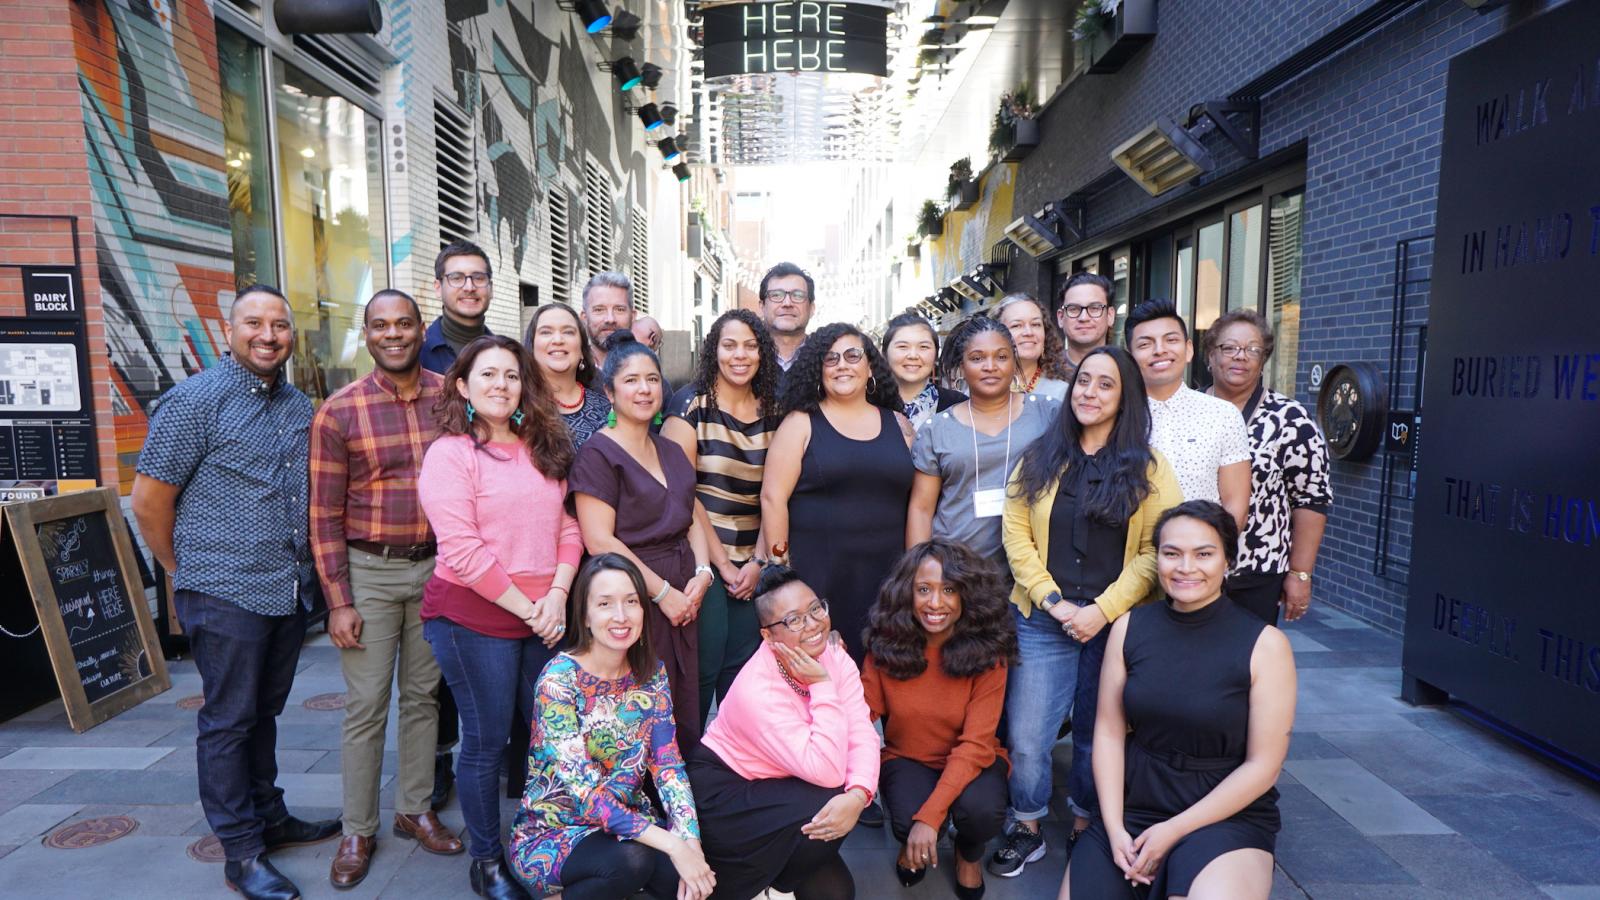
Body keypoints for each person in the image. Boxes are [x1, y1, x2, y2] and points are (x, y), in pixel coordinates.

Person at [132, 285, 339, 900]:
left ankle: (269, 815)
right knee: (227, 721)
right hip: (223, 590)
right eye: (254, 323)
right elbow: (149, 501)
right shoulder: (193, 403)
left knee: (263, 713)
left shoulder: (299, 406)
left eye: (279, 325)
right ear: (230, 330)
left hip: (284, 590)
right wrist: (182, 570)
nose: (268, 335)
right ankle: (241, 850)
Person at [993, 346, 1183, 879]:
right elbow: (1017, 535)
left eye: (1105, 385)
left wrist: (1101, 610)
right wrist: (1053, 602)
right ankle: (1026, 823)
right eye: (1083, 381)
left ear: (1125, 399)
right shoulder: (1039, 456)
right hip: (1042, 619)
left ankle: (1085, 822)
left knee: (1098, 735)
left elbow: (1156, 549)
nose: (1089, 393)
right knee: (1029, 737)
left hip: (1116, 625)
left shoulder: (1149, 467)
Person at [1062, 501, 1295, 900]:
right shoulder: (1129, 627)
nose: (1186, 567)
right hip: (1138, 801)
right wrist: (1115, 826)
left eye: (1203, 554)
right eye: (1172, 554)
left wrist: (1173, 830)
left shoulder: (1266, 645)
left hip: (1225, 812)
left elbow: (1263, 766)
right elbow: (1108, 733)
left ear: (1228, 560)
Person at [309, 290, 462, 889]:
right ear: (366, 333)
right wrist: (338, 599)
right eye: (381, 325)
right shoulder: (338, 412)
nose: (393, 334)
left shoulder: (451, 399)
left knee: (424, 697)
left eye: (404, 324)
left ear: (422, 330)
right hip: (368, 571)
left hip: (437, 569)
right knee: (367, 704)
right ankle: (358, 828)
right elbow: (322, 514)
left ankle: (415, 807)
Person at [417, 335, 578, 899]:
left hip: (544, 615)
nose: (501, 386)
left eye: (511, 375)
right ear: (462, 385)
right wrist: (531, 609)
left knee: (549, 736)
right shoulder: (451, 454)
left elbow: (568, 526)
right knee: (485, 742)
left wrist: (557, 596)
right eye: (488, 375)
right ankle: (487, 860)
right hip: (473, 618)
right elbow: (461, 550)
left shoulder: (543, 444)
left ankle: (547, 841)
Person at [509, 554, 715, 900]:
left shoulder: (652, 675)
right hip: (555, 831)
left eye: (631, 602)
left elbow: (668, 768)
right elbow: (588, 798)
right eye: (605, 604)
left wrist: (690, 843)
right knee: (632, 863)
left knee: (688, 885)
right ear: (585, 615)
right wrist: (672, 845)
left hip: (629, 825)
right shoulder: (559, 682)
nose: (621, 616)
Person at [689, 565, 880, 900]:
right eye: (793, 620)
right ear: (768, 634)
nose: (813, 625)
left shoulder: (836, 657)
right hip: (728, 794)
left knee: (836, 893)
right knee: (830, 795)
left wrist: (860, 794)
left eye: (815, 609)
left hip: (787, 787)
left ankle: (777, 887)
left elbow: (862, 734)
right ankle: (766, 890)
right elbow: (827, 770)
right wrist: (821, 685)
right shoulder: (757, 689)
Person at [570, 332, 715, 750]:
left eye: (652, 379)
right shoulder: (598, 454)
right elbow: (599, 540)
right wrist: (664, 593)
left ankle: (676, 799)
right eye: (631, 380)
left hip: (685, 586)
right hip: (631, 595)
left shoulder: (670, 449)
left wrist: (702, 575)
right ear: (609, 390)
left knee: (680, 702)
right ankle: (631, 808)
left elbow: (690, 514)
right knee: (633, 712)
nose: (644, 389)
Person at [862, 540, 1017, 900]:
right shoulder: (886, 645)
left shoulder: (988, 653)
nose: (935, 603)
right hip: (909, 757)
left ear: (967, 595)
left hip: (974, 760)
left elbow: (976, 744)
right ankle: (915, 838)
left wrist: (929, 817)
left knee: (981, 814)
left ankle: (968, 851)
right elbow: (860, 713)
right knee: (905, 820)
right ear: (906, 593)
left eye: (949, 589)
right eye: (924, 589)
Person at [762, 322, 915, 665]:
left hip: (887, 580)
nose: (842, 365)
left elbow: (917, 504)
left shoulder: (900, 425)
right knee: (822, 681)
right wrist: (780, 569)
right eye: (830, 359)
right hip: (819, 580)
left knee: (884, 678)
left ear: (870, 366)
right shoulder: (801, 423)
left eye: (852, 355)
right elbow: (773, 498)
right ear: (818, 371)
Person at [662, 308, 784, 721]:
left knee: (745, 677)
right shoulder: (689, 406)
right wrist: (724, 566)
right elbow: (684, 492)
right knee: (701, 671)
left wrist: (757, 562)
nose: (740, 355)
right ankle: (687, 771)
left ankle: (733, 773)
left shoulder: (775, 409)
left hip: (756, 561)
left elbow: (777, 492)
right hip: (701, 562)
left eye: (751, 346)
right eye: (729, 345)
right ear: (714, 349)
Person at [420, 239, 497, 806]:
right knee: (433, 680)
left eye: (478, 277)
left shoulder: (503, 350)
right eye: (457, 277)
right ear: (441, 285)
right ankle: (439, 763)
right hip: (436, 531)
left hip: (496, 536)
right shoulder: (419, 352)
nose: (468, 286)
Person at [1203, 310, 1333, 625]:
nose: (1241, 357)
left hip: (1256, 571)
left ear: (1263, 360)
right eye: (1229, 348)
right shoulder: (1190, 410)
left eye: (1253, 350)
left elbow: (1311, 499)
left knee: (1246, 665)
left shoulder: (1291, 418)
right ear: (1210, 355)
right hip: (1189, 568)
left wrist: (1300, 574)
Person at [907, 316, 1059, 562]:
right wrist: (920, 572)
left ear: (1014, 361)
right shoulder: (936, 429)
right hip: (955, 572)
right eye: (977, 358)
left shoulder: (1049, 414)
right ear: (962, 365)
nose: (991, 366)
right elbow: (921, 510)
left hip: (1032, 571)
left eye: (1001, 357)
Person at [1125, 298, 1251, 530]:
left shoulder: (1222, 415)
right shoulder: (1116, 415)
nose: (1160, 350)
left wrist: (1210, 552)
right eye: (1145, 344)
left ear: (1189, 349)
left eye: (1171, 340)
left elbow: (1236, 504)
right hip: (1127, 560)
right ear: (1129, 356)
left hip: (1200, 558)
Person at [526, 302, 611, 447]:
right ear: (532, 346)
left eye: (568, 332)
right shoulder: (517, 404)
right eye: (546, 332)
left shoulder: (607, 407)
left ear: (583, 349)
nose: (558, 340)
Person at [882, 311, 966, 427]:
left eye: (923, 347)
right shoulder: (867, 404)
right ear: (885, 353)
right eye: (903, 347)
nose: (913, 355)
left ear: (936, 355)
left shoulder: (959, 405)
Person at [995, 293, 1071, 400]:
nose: (1029, 332)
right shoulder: (979, 389)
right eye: (1016, 325)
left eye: (1035, 324)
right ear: (995, 334)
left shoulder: (1061, 393)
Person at [758, 262, 817, 384]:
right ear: (762, 306)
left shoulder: (827, 358)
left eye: (798, 295)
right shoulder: (746, 358)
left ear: (811, 308)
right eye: (776, 295)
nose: (787, 303)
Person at [1055, 271, 1117, 382]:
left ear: (1110, 315)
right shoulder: (1042, 371)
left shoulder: (1128, 371)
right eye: (1073, 309)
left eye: (1094, 308)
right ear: (1060, 318)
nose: (1084, 318)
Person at [580, 271, 636, 370]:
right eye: (599, 310)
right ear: (584, 318)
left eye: (619, 309)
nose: (610, 319)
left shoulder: (651, 377)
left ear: (632, 316)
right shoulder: (569, 374)